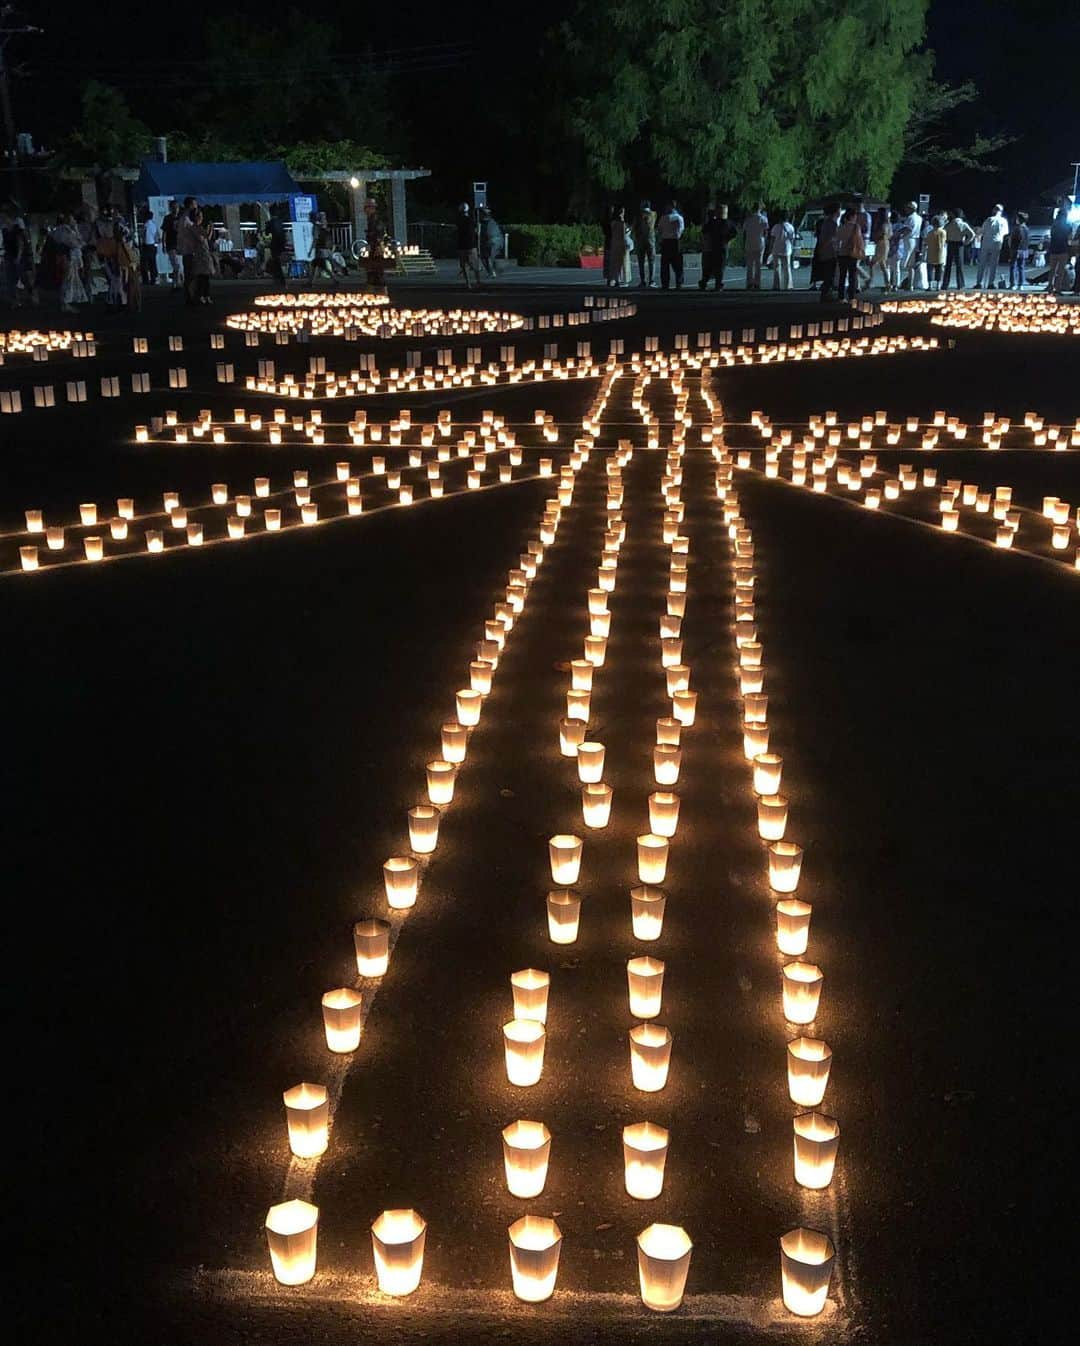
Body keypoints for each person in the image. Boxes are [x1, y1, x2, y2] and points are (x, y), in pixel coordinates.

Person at [699, 204, 736, 290]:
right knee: (720, 266)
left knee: (709, 266)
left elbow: (704, 232)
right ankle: (718, 284)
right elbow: (734, 233)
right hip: (722, 247)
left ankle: (704, 282)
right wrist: (727, 239)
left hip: (712, 247)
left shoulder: (712, 222)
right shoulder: (728, 223)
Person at [185, 206, 215, 304]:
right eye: (200, 216)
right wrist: (209, 229)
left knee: (205, 277)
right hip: (200, 255)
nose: (201, 218)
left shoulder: (198, 228)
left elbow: (207, 237)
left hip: (204, 254)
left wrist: (210, 230)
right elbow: (202, 238)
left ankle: (206, 295)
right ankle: (202, 295)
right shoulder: (194, 228)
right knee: (202, 277)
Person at [834, 207, 864, 301]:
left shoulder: (841, 227)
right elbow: (859, 241)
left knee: (842, 276)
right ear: (852, 216)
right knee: (852, 275)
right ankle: (851, 296)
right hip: (852, 253)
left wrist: (837, 250)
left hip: (842, 253)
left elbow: (836, 240)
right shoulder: (856, 227)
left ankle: (841, 296)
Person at [976, 203, 1008, 290]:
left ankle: (979, 282)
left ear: (994, 210)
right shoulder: (1003, 221)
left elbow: (982, 231)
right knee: (993, 264)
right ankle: (991, 283)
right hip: (997, 243)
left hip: (986, 243)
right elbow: (1005, 233)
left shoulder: (989, 219)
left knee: (982, 263)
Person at [943, 209, 975, 289]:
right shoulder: (963, 224)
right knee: (959, 265)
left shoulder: (948, 224)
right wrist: (966, 242)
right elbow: (972, 234)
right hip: (959, 244)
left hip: (950, 244)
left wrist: (946, 240)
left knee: (948, 265)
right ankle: (960, 284)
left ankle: (945, 284)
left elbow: (944, 233)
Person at [1046, 199, 1073, 293]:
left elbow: (1051, 235)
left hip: (1053, 249)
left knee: (1052, 270)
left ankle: (1050, 286)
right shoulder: (1068, 225)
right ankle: (1057, 288)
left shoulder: (1054, 225)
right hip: (1063, 250)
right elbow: (1070, 237)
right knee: (1060, 272)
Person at [816, 202, 841, 301]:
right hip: (830, 251)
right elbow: (830, 238)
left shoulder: (827, 222)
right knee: (829, 274)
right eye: (839, 209)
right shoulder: (832, 223)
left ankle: (826, 293)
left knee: (828, 273)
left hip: (827, 250)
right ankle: (826, 294)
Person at [657, 201, 685, 289]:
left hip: (666, 241)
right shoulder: (679, 218)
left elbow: (659, 230)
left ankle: (665, 283)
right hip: (675, 241)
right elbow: (681, 229)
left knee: (665, 264)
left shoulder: (663, 218)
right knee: (677, 264)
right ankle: (679, 282)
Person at [742, 202, 768, 289]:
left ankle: (749, 283)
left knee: (749, 265)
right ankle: (757, 283)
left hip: (749, 243)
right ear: (759, 209)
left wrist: (744, 243)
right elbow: (765, 232)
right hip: (759, 243)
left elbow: (744, 232)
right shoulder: (763, 219)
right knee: (758, 265)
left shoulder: (748, 219)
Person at [456, 202, 481, 288]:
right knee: (475, 264)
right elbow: (476, 232)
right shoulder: (471, 220)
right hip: (471, 245)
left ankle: (468, 283)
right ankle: (478, 281)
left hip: (461, 245)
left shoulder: (458, 221)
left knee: (464, 265)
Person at [769, 209, 795, 290]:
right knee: (787, 268)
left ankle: (776, 286)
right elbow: (792, 239)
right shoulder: (790, 227)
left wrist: (770, 249)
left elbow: (772, 239)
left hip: (776, 249)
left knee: (776, 268)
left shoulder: (775, 227)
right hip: (786, 249)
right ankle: (788, 286)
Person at [867, 207, 892, 290]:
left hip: (881, 244)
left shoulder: (882, 224)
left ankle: (871, 281)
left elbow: (882, 233)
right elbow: (890, 234)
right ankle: (887, 283)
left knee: (874, 263)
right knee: (882, 264)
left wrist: (875, 236)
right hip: (885, 243)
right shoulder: (888, 223)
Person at [633, 200, 657, 287]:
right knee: (652, 261)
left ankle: (642, 281)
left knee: (641, 261)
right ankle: (652, 281)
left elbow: (634, 227)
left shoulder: (638, 216)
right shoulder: (654, 214)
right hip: (651, 240)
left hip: (640, 240)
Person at [605, 206, 628, 287]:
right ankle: (617, 280)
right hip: (620, 243)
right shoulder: (622, 223)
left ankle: (612, 279)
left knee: (613, 262)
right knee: (620, 263)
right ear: (622, 213)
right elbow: (623, 235)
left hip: (613, 243)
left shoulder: (613, 222)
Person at [161, 201, 182, 288]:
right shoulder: (167, 218)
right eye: (173, 207)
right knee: (175, 264)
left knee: (180, 265)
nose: (175, 209)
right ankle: (175, 282)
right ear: (170, 208)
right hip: (171, 244)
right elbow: (164, 232)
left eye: (177, 207)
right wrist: (163, 244)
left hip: (180, 243)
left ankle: (177, 281)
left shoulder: (181, 218)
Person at [266, 207, 289, 286]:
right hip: (282, 245)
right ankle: (279, 279)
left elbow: (267, 233)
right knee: (278, 262)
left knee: (276, 262)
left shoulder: (271, 222)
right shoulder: (280, 222)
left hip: (275, 245)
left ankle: (280, 280)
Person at [1007, 211, 1029, 290]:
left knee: (1013, 267)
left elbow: (1012, 239)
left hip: (1015, 249)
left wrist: (1010, 247)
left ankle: (1012, 284)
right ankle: (1021, 284)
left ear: (1019, 219)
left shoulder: (1016, 228)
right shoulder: (1026, 228)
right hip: (1024, 250)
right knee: (1021, 267)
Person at [479, 208, 503, 279]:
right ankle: (492, 271)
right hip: (494, 242)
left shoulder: (484, 223)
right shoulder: (492, 222)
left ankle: (492, 271)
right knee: (488, 257)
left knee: (487, 257)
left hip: (491, 242)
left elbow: (484, 233)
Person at [139, 207, 159, 286]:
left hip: (146, 245)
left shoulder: (145, 225)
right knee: (153, 262)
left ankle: (145, 279)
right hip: (153, 245)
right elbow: (157, 235)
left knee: (144, 263)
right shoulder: (154, 224)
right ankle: (154, 278)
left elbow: (142, 235)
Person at [925, 216, 947, 290]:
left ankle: (930, 286)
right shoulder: (943, 232)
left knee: (930, 270)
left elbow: (926, 243)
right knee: (939, 270)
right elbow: (944, 243)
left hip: (930, 254)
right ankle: (938, 286)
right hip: (940, 254)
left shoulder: (930, 233)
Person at [312, 211, 334, 280]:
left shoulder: (317, 226)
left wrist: (311, 249)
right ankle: (310, 281)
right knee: (317, 265)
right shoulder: (324, 225)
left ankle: (335, 279)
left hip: (320, 248)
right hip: (325, 247)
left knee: (319, 265)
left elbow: (316, 238)